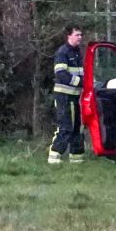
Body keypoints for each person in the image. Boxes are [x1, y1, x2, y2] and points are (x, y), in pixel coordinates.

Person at [47, 25, 85, 165]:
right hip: (64, 97)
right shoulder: (63, 52)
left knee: (78, 128)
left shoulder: (78, 53)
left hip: (76, 97)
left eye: (81, 35)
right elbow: (61, 74)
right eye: (77, 35)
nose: (80, 37)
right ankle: (54, 157)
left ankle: (77, 158)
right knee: (66, 127)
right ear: (69, 36)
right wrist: (81, 82)